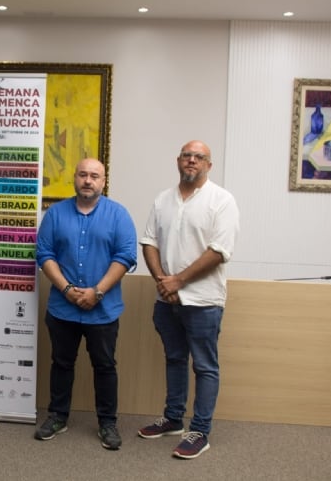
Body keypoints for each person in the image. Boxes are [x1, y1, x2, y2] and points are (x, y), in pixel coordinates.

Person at [137, 140, 240, 459]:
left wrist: (178, 280)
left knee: (206, 367)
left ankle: (200, 431)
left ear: (209, 165)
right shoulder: (163, 200)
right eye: (186, 155)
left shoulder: (222, 201)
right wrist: (162, 282)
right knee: (174, 358)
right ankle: (172, 419)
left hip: (204, 302)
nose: (191, 160)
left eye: (199, 157)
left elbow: (219, 251)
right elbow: (149, 242)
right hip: (166, 300)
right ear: (178, 161)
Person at [34, 158, 137, 450]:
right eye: (83, 175)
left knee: (104, 366)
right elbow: (44, 254)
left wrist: (98, 292)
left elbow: (126, 256)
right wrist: (66, 289)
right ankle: (58, 416)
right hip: (62, 307)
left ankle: (107, 422)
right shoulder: (55, 214)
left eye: (94, 176)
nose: (88, 180)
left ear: (103, 181)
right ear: (75, 179)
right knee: (62, 363)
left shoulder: (119, 215)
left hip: (103, 310)